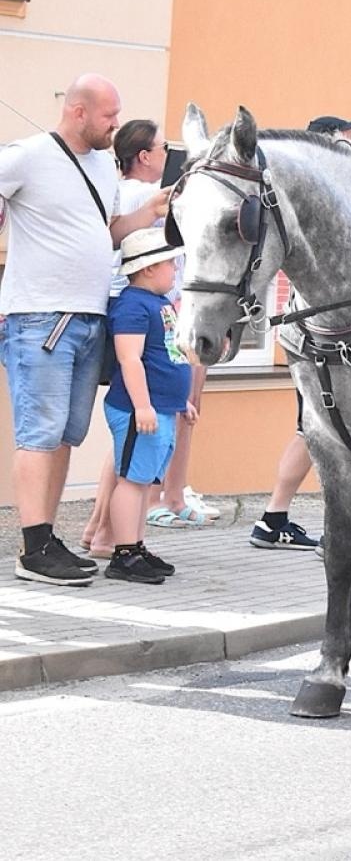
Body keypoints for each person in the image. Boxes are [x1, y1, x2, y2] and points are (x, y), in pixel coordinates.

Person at [1, 74, 172, 586]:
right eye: (108, 115)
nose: (116, 124)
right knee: (39, 434)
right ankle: (34, 549)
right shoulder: (28, 155)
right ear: (78, 111)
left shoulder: (102, 165)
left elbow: (107, 232)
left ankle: (45, 539)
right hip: (41, 317)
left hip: (90, 315)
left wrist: (149, 212)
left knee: (65, 436)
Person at [248, 112, 351, 566]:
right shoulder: (323, 195)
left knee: (313, 431)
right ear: (326, 142)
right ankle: (336, 535)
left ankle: (273, 519)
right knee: (337, 434)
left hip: (311, 333)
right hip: (319, 335)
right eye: (346, 136)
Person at [81, 121, 213, 556]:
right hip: (146, 325)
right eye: (161, 148)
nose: (165, 156)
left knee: (135, 444)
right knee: (133, 440)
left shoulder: (125, 195)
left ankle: (106, 531)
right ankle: (109, 535)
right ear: (144, 156)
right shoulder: (143, 198)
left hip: (150, 319)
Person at [100, 229, 196, 584]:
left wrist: (181, 402)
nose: (175, 269)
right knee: (132, 480)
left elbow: (168, 354)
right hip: (137, 410)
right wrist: (142, 406)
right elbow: (130, 359)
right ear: (149, 268)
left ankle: (136, 546)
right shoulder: (133, 306)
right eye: (170, 263)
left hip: (162, 408)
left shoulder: (159, 303)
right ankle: (123, 554)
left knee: (144, 482)